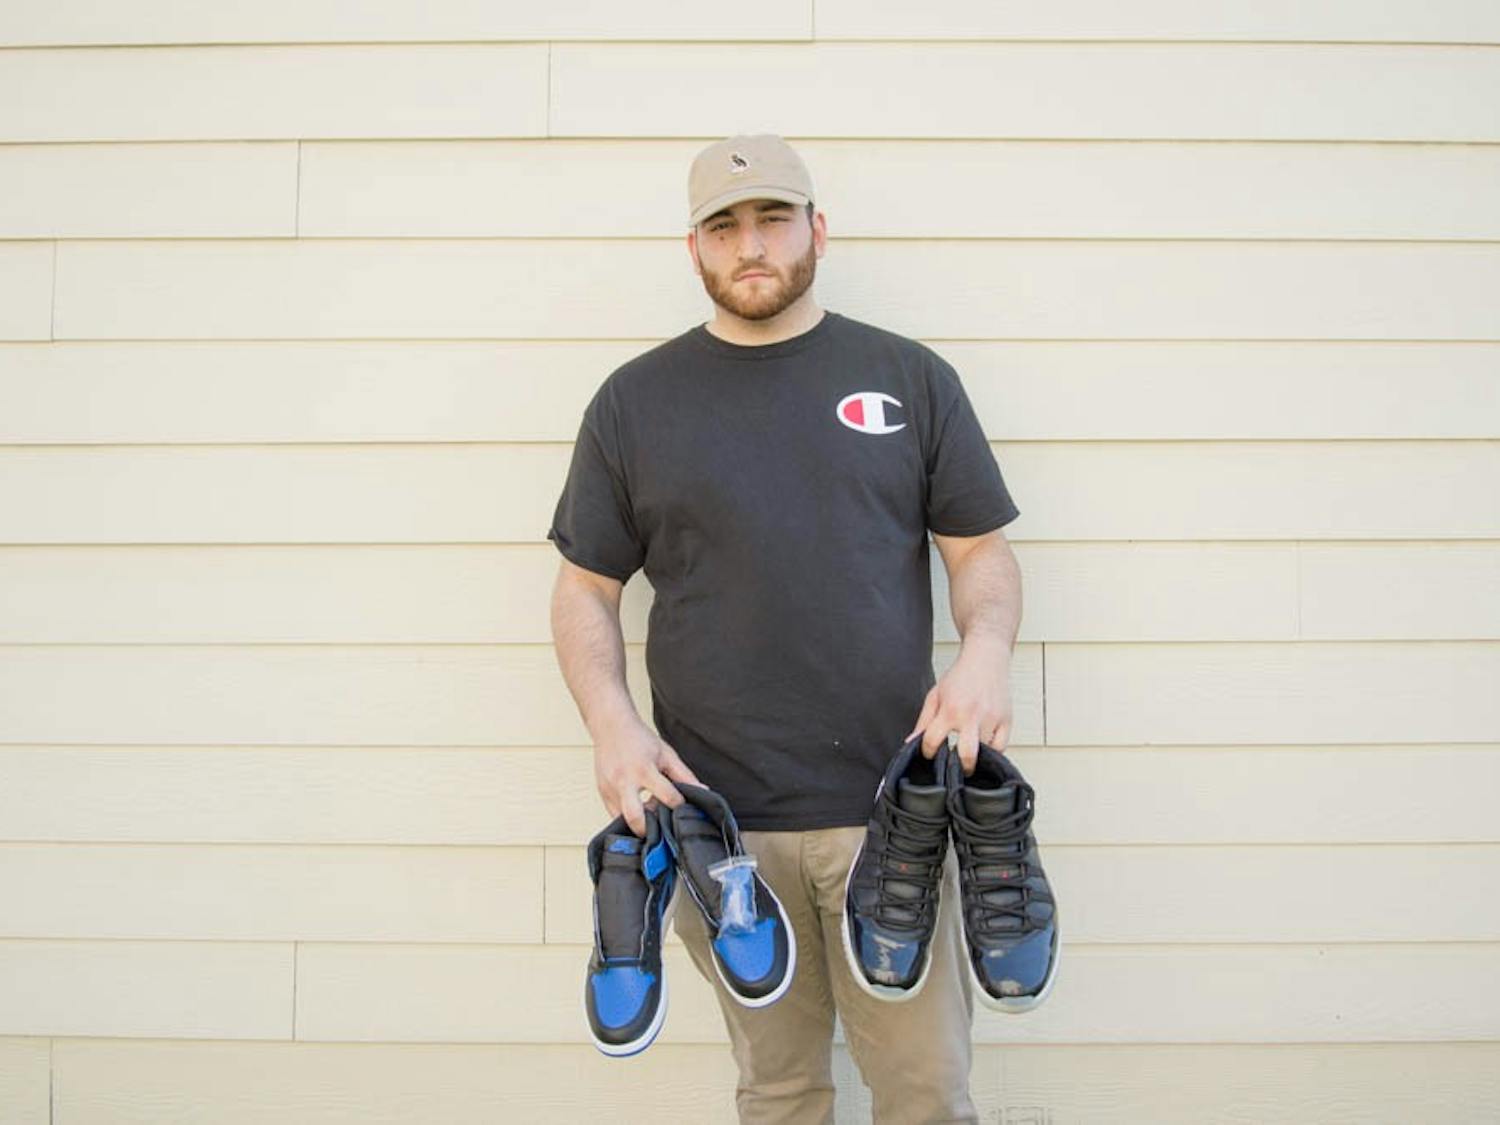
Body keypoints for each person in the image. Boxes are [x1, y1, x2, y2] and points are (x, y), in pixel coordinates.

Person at [548, 133, 1023, 1125]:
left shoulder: (908, 377)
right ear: (694, 249)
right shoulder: (635, 404)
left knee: (928, 1091)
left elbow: (979, 552)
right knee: (779, 1095)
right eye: (725, 226)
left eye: (773, 217)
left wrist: (984, 659)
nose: (751, 244)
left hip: (895, 813)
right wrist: (611, 725)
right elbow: (584, 586)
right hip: (719, 827)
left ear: (818, 228)